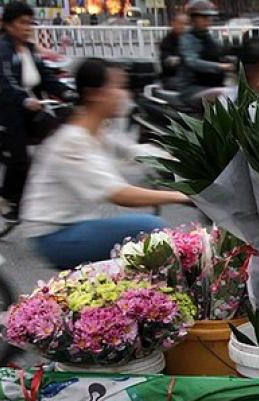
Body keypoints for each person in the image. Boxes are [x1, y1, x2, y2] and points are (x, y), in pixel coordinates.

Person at [21, 58, 188, 270]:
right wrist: (181, 197)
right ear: (94, 93)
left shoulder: (98, 131)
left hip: (77, 224)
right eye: (118, 87)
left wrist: (181, 161)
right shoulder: (72, 141)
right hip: (55, 236)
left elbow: (136, 152)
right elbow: (118, 194)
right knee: (152, 228)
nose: (124, 95)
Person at [0, 1, 75, 220]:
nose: (27, 27)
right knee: (20, 157)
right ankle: (8, 201)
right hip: (2, 111)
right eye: (22, 23)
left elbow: (47, 78)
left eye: (30, 23)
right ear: (9, 25)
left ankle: (44, 183)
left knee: (57, 131)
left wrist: (69, 93)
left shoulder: (29, 49)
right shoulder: (2, 49)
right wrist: (25, 100)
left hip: (25, 108)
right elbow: (6, 81)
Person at [178, 0, 234, 109]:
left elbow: (221, 51)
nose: (208, 20)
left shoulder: (209, 37)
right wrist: (220, 66)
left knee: (234, 94)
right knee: (223, 98)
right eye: (203, 17)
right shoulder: (187, 39)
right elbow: (192, 61)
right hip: (193, 88)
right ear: (193, 19)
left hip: (212, 85)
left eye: (209, 17)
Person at [158, 12, 189, 88]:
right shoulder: (167, 41)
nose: (183, 27)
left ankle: (213, 99)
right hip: (172, 77)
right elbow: (167, 61)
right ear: (173, 24)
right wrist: (182, 60)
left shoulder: (190, 39)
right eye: (181, 24)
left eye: (186, 24)